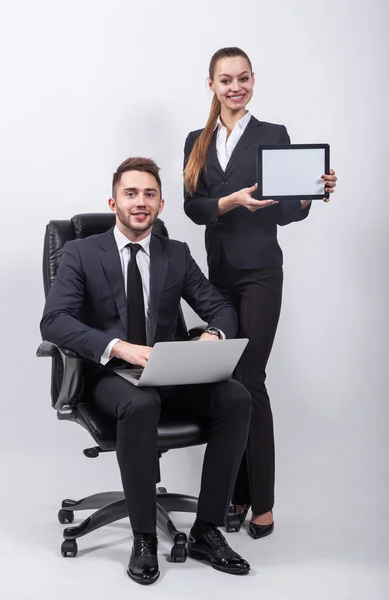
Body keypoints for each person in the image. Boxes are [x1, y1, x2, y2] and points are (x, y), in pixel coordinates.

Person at [40, 157, 253, 585]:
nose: (140, 202)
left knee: (236, 398)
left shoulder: (175, 254)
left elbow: (220, 308)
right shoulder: (81, 252)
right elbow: (55, 321)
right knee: (140, 404)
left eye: (149, 194)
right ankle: (143, 538)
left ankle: (207, 531)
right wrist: (120, 348)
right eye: (131, 193)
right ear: (114, 201)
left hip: (169, 371)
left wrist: (213, 333)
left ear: (160, 204)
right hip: (111, 375)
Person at [183, 47, 337, 540]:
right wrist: (229, 200)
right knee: (228, 383)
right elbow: (193, 207)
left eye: (243, 78)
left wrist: (313, 191)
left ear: (253, 82)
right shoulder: (197, 139)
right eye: (225, 79)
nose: (235, 87)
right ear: (211, 84)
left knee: (250, 379)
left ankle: (261, 503)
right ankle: (241, 494)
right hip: (218, 276)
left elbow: (285, 208)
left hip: (261, 274)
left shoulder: (272, 136)